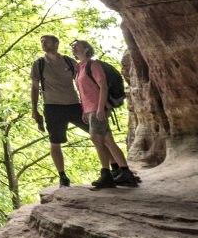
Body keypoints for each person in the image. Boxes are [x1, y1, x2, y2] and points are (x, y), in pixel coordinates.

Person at [71, 39, 140, 188]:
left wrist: (101, 108)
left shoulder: (93, 65)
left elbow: (103, 86)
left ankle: (106, 174)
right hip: (90, 109)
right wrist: (84, 110)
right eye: (73, 47)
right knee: (108, 140)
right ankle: (125, 173)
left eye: (77, 46)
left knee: (97, 139)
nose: (74, 48)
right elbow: (83, 92)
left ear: (86, 49)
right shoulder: (79, 68)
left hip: (98, 108)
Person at [29, 34, 86, 187]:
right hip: (52, 106)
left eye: (46, 41)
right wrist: (34, 109)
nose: (43, 44)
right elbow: (34, 87)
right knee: (55, 142)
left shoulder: (69, 61)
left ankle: (113, 168)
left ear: (56, 43)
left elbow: (82, 82)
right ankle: (63, 176)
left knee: (97, 132)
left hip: (74, 105)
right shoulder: (39, 64)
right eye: (41, 42)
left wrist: (89, 103)